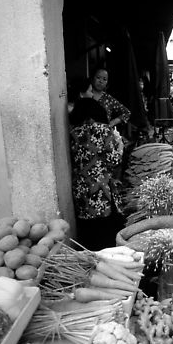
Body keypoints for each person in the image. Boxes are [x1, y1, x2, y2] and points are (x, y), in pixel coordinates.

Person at [69, 94, 125, 251]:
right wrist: (120, 146)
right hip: (100, 190)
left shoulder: (74, 133)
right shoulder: (103, 130)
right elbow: (114, 161)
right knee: (105, 239)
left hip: (81, 189)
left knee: (88, 237)